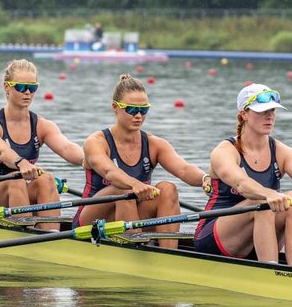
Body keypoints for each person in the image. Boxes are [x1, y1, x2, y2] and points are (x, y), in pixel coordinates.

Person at [195, 83, 292, 265]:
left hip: (257, 235)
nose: (269, 116)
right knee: (262, 202)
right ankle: (271, 270)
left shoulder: (282, 151)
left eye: (272, 111)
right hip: (214, 238)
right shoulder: (224, 152)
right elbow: (241, 184)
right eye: (262, 111)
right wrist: (269, 194)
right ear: (244, 114)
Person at [75, 73, 210, 248]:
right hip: (91, 221)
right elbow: (109, 172)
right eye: (132, 110)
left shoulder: (155, 144)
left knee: (168, 189)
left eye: (144, 109)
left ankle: (168, 253)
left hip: (132, 217)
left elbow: (183, 169)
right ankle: (132, 250)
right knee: (123, 189)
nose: (138, 115)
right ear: (115, 107)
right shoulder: (96, 142)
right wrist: (134, 184)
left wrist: (205, 178)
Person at [0, 59, 84, 229]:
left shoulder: (42, 125)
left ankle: (50, 234)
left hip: (20, 196)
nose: (27, 92)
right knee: (16, 179)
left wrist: (91, 161)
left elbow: (67, 148)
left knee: (47, 179)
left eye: (32, 87)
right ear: (7, 87)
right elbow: (1, 151)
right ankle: (26, 231)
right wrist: (21, 163)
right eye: (21, 87)